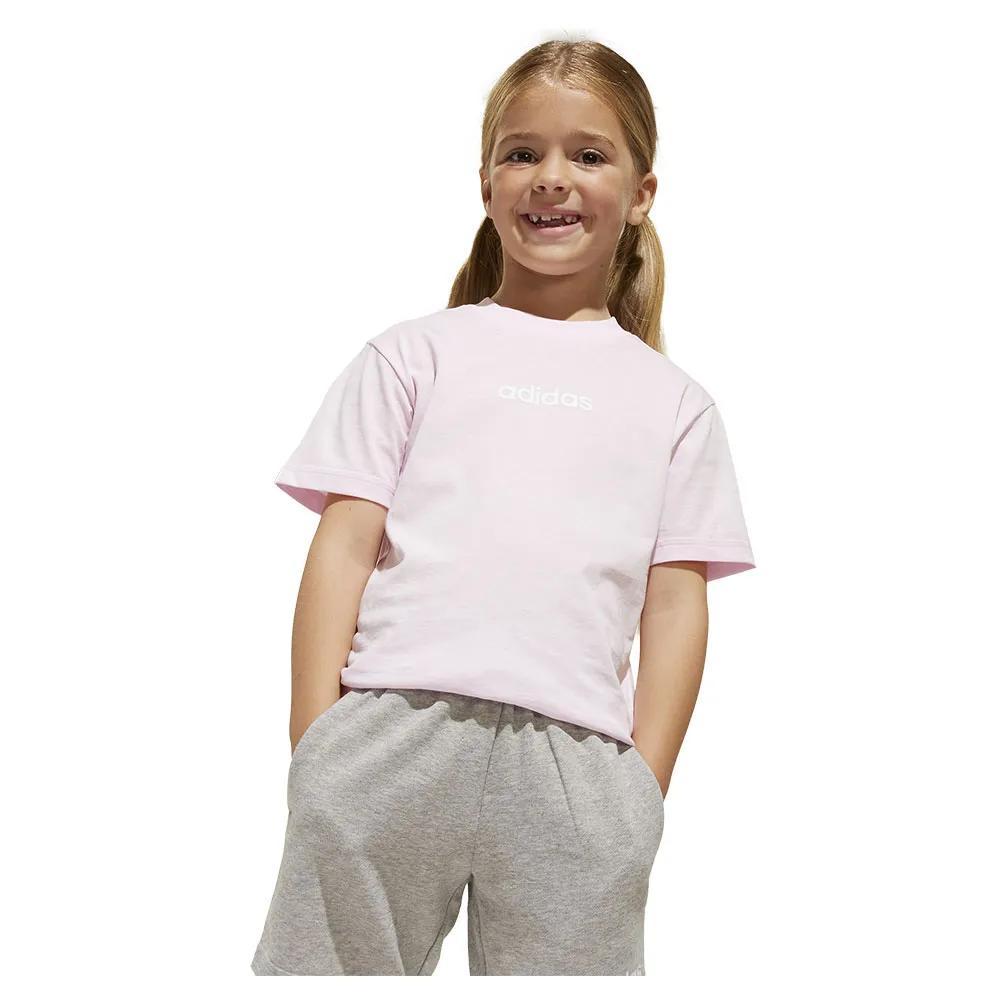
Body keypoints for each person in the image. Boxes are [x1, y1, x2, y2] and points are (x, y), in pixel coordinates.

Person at [250, 37, 756, 977]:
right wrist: (317, 747)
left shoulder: (676, 406)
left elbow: (676, 603)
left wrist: (641, 790)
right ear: (485, 185)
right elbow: (344, 545)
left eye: (588, 154)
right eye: (523, 153)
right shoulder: (413, 356)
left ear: (641, 193)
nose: (551, 177)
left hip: (579, 765)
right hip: (389, 733)